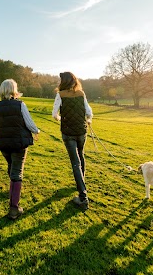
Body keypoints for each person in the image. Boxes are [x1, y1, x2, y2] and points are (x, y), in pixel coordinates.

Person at [0, 79, 40, 220]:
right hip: (19, 143)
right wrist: (37, 131)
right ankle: (14, 208)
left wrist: (2, 134)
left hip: (4, 144)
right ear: (14, 90)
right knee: (17, 172)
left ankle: (12, 194)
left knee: (11, 166)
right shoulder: (20, 104)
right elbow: (29, 123)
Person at [52, 72, 93, 210]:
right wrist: (88, 120)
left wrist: (60, 119)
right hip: (82, 131)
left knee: (75, 162)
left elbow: (54, 114)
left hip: (68, 132)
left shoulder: (60, 95)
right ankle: (82, 183)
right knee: (81, 156)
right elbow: (89, 112)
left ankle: (83, 197)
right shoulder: (81, 93)